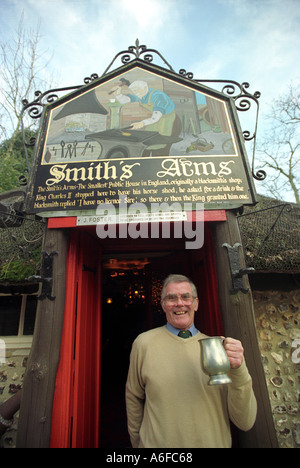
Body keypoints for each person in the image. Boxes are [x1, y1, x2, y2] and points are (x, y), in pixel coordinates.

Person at [125, 274, 257, 448]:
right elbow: (133, 397)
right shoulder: (143, 344)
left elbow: (245, 422)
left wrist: (239, 369)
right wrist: (138, 443)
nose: (179, 303)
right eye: (171, 298)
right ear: (163, 305)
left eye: (186, 297)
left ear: (196, 304)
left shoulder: (220, 350)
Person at [110, 80, 180, 156]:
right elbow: (125, 100)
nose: (136, 93)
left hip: (168, 121)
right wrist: (118, 94)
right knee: (147, 143)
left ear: (144, 88)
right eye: (134, 91)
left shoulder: (158, 97)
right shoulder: (141, 94)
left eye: (137, 91)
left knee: (160, 147)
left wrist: (142, 123)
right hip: (155, 121)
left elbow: (155, 118)